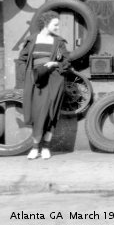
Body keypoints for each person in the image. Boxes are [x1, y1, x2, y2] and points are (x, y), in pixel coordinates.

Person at [18, 10, 70, 160]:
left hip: (54, 81)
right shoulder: (31, 40)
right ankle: (35, 148)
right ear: (46, 23)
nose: (58, 28)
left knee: (50, 114)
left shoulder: (59, 42)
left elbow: (66, 62)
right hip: (36, 82)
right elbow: (22, 60)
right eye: (55, 24)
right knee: (37, 114)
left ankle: (45, 147)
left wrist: (55, 64)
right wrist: (29, 75)